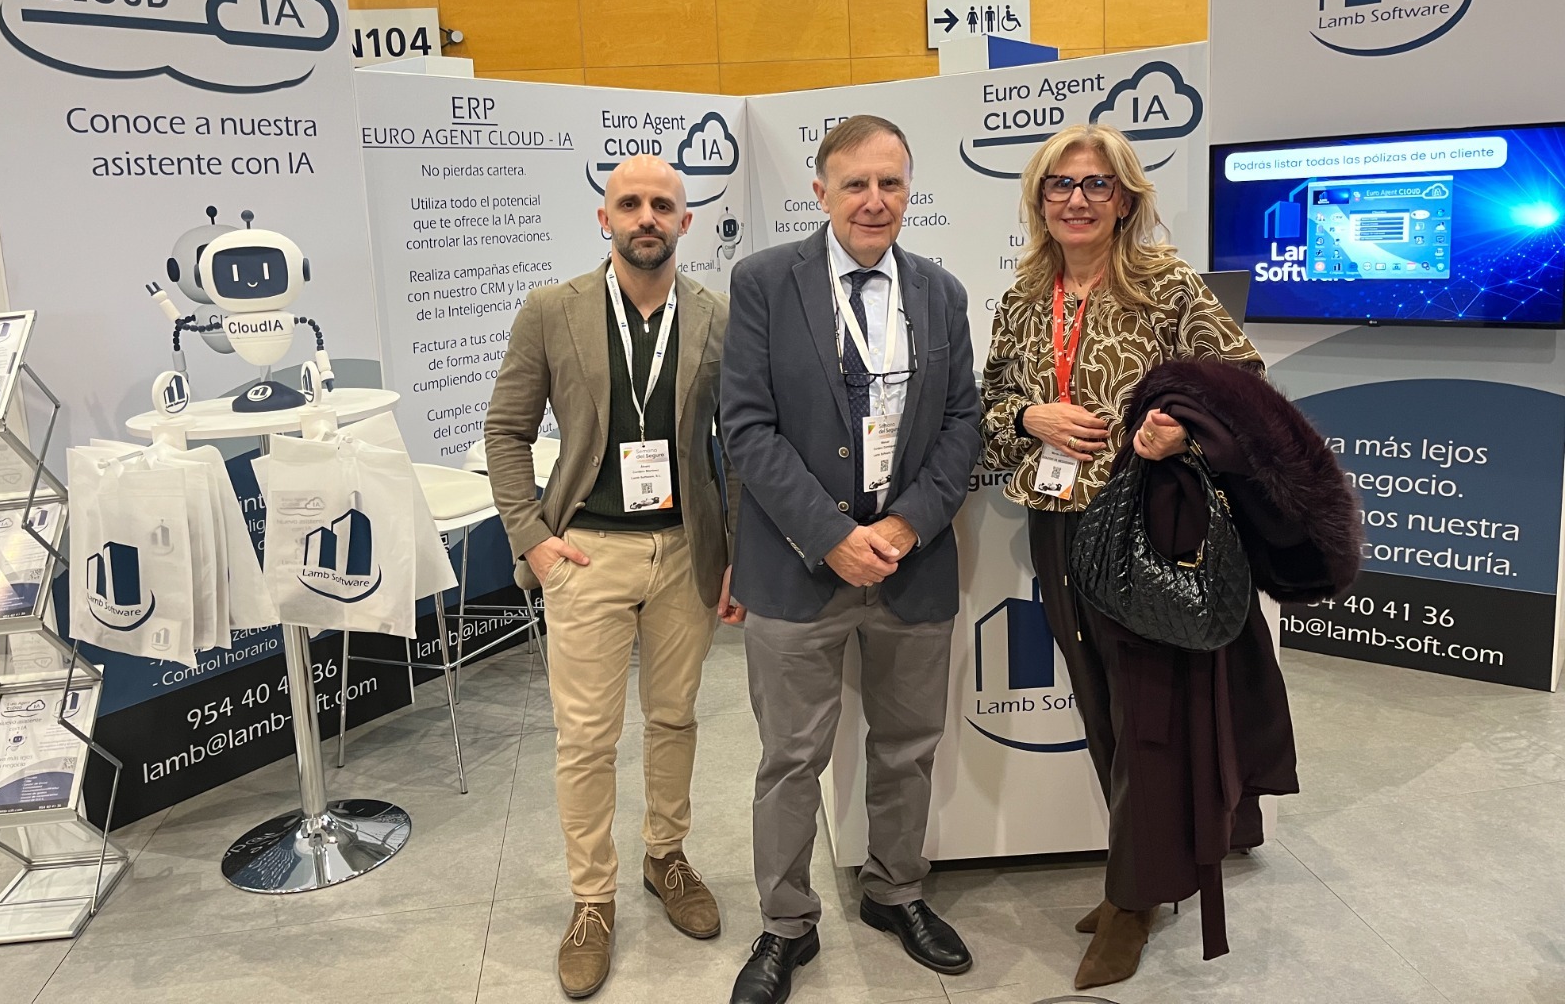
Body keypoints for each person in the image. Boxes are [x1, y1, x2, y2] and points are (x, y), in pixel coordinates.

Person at [979, 123, 1356, 990]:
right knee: (1101, 707)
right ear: (1039, 200)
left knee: (1149, 713)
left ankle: (1134, 898)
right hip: (1058, 523)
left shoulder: (1165, 284)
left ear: (1125, 199)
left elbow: (1242, 384)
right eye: (1060, 185)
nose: (1077, 199)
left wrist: (1179, 426)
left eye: (1096, 184)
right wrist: (1032, 417)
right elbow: (991, 404)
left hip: (1148, 522)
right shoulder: (1024, 296)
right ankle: (1144, 870)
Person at [719, 115, 982, 1004]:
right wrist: (830, 536)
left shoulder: (940, 291)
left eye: (891, 183)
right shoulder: (764, 282)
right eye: (857, 183)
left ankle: (895, 891)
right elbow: (746, 427)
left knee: (907, 748)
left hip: (912, 564)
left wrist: (906, 527)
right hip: (798, 568)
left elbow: (963, 423)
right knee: (791, 759)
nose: (875, 200)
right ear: (821, 191)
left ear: (909, 190)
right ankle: (786, 924)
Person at [484, 154, 736, 1000]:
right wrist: (533, 539)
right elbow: (506, 430)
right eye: (630, 203)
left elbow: (738, 445)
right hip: (587, 552)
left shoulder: (715, 315)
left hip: (685, 551)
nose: (646, 217)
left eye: (663, 204)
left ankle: (667, 857)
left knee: (674, 717)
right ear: (605, 218)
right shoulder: (551, 310)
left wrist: (736, 553)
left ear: (686, 222)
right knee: (587, 739)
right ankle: (592, 899)